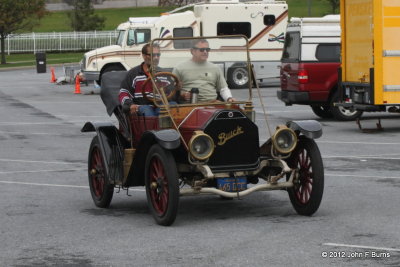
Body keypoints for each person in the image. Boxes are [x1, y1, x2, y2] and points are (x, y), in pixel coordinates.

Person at [172, 39, 235, 103]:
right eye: (202, 50)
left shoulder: (215, 68)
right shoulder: (179, 68)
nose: (205, 52)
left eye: (207, 50)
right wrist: (182, 95)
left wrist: (229, 98)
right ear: (192, 51)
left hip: (212, 104)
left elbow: (223, 89)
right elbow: (171, 90)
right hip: (189, 106)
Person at [119, 43, 161, 116]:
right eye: (153, 55)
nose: (156, 57)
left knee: (173, 106)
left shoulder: (163, 74)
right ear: (144, 56)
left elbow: (170, 94)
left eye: (158, 55)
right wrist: (130, 105)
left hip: (160, 106)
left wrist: (177, 89)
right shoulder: (134, 74)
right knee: (147, 111)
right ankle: (152, 127)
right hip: (141, 106)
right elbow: (123, 92)